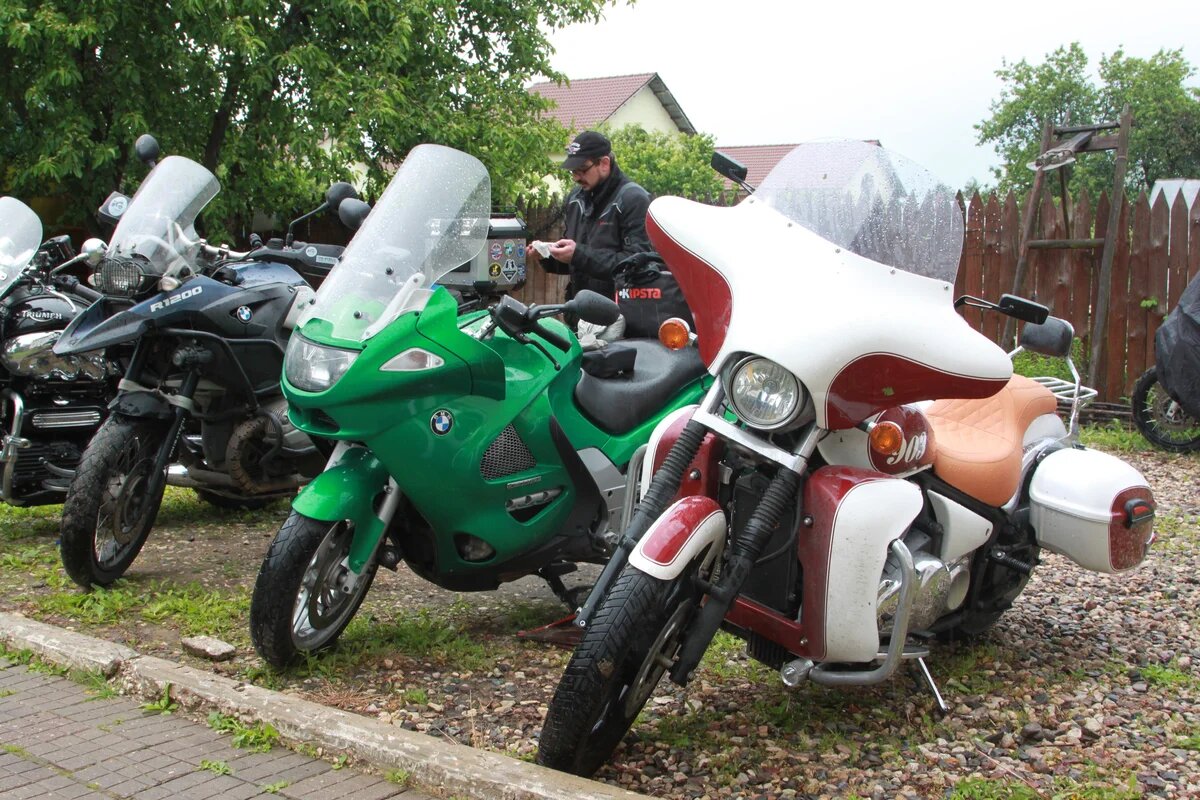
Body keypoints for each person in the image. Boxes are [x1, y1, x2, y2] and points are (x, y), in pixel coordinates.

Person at [528, 131, 652, 321]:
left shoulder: (633, 199)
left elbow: (636, 264)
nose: (576, 177)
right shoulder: (575, 199)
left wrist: (578, 254)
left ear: (604, 163)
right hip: (579, 314)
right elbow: (575, 264)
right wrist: (546, 255)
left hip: (617, 317)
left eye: (582, 169)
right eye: (573, 171)